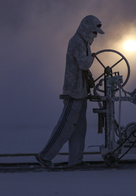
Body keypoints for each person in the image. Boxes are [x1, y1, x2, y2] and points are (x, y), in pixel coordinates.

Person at [36, 15, 104, 168]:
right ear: (87, 29)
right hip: (73, 92)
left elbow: (84, 70)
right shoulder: (76, 42)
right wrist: (93, 57)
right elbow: (84, 64)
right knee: (65, 127)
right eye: (94, 32)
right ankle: (44, 156)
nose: (95, 36)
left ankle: (76, 160)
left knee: (79, 129)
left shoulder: (84, 42)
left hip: (81, 92)